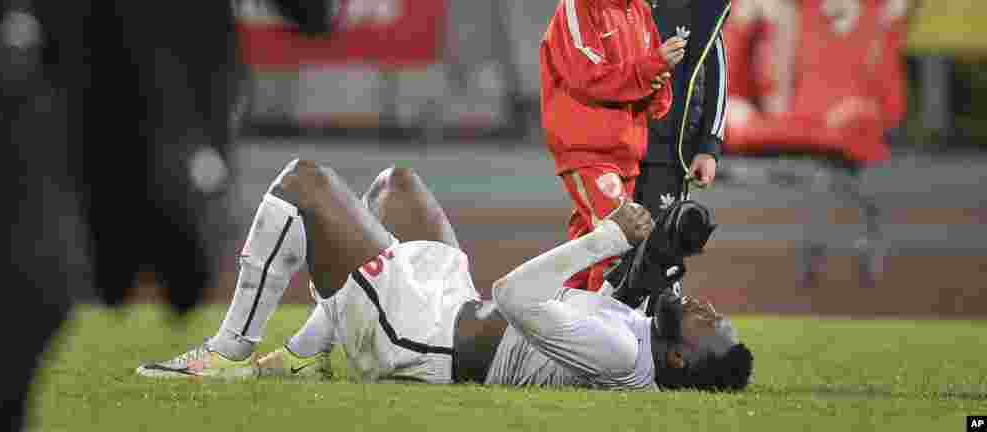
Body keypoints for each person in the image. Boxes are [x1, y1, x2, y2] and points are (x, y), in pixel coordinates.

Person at [0, 0, 337, 430]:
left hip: (148, 142)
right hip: (20, 118)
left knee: (122, 272)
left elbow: (313, 1)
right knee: (28, 285)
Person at [136, 159, 753, 391]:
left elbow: (513, 294)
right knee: (396, 184)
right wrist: (655, 246)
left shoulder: (622, 352)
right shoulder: (642, 333)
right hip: (450, 305)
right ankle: (304, 352)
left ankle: (226, 351)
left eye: (713, 329)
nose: (712, 311)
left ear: (680, 362)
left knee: (303, 184)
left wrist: (609, 236)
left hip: (419, 340)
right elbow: (624, 294)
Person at [539, 0, 688, 292]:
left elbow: (654, 89)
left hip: (625, 156)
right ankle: (602, 340)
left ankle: (551, 320)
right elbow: (589, 75)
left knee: (586, 249)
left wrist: (660, 89)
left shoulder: (638, 13)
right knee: (620, 238)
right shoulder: (578, 4)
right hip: (587, 152)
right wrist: (653, 67)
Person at [605, 0, 730, 312]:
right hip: (613, 152)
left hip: (667, 154)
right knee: (609, 244)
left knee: (662, 246)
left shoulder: (703, 11)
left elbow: (717, 83)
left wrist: (709, 148)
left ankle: (659, 331)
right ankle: (600, 327)